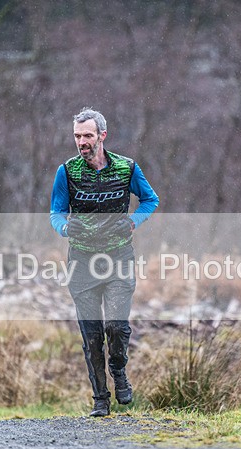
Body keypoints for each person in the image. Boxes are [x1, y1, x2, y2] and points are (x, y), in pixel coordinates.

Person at [50, 107, 159, 417]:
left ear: (102, 136)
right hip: (82, 261)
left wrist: (134, 220)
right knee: (92, 334)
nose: (82, 142)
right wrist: (66, 228)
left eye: (87, 136)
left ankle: (119, 370)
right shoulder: (67, 172)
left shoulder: (127, 168)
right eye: (77, 136)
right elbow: (56, 212)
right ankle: (100, 399)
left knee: (115, 325)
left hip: (118, 258)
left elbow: (151, 199)